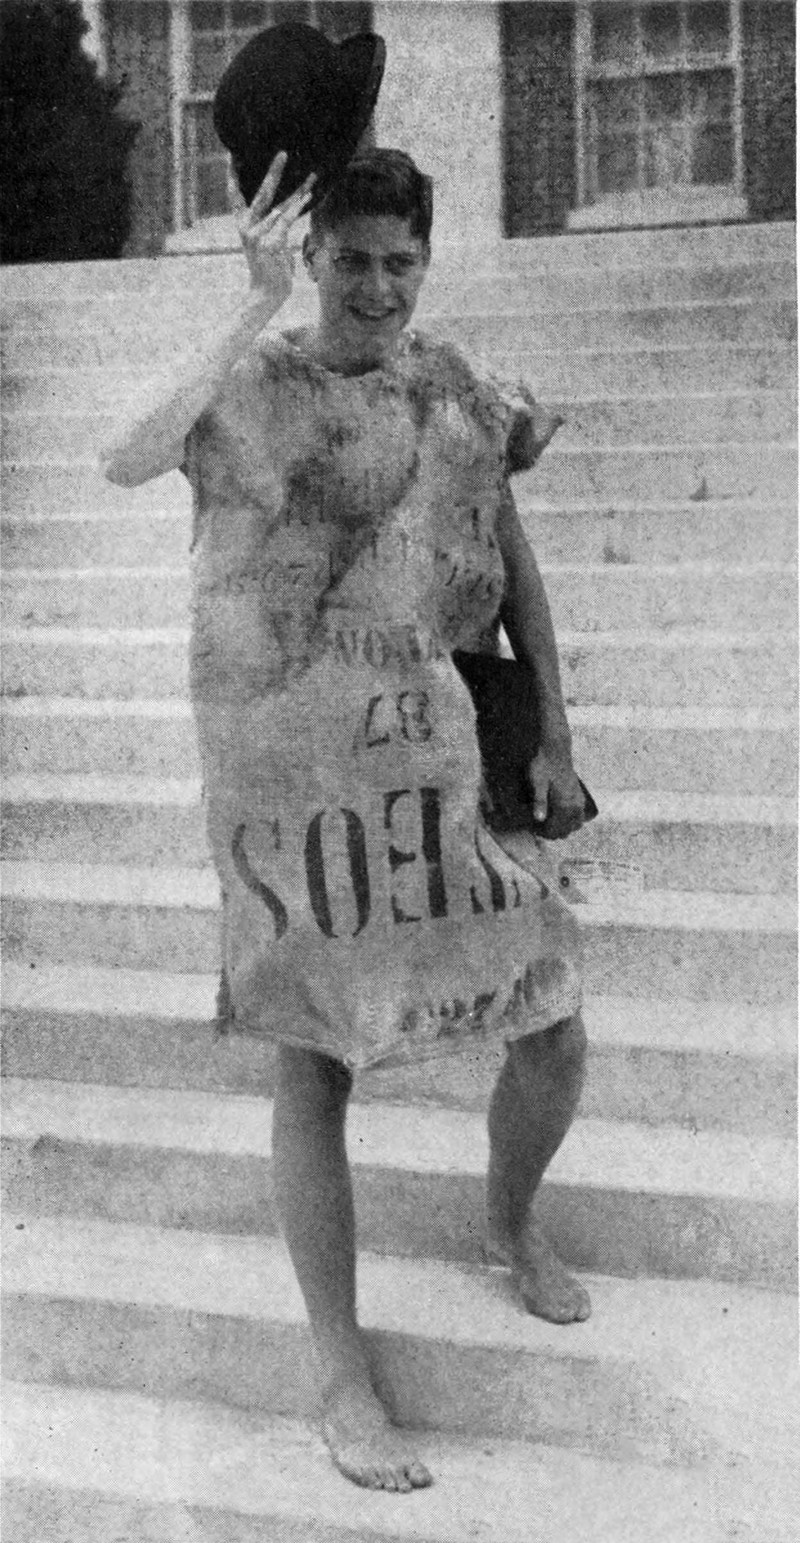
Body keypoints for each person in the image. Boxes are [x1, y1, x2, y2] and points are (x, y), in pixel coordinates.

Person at [103, 143, 591, 1495]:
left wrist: (555, 733)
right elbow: (122, 456)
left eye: (401, 261)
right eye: (352, 260)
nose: (378, 286)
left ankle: (511, 1221)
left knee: (554, 1025)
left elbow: (513, 565)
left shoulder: (450, 386)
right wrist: (248, 305)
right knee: (315, 1068)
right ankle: (338, 1370)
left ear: (425, 263)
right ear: (313, 255)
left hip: (443, 769)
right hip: (299, 791)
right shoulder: (256, 385)